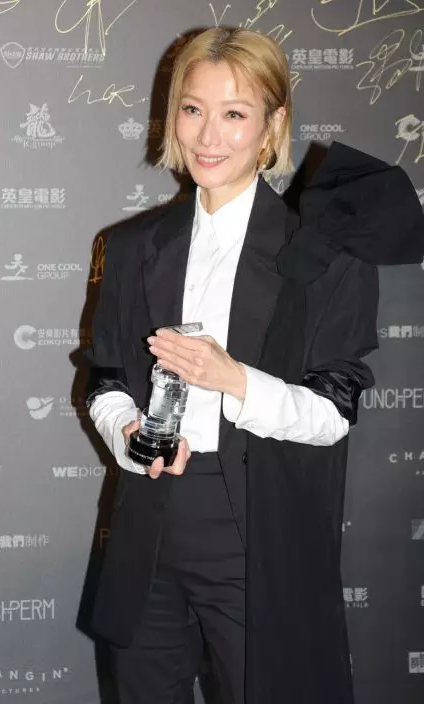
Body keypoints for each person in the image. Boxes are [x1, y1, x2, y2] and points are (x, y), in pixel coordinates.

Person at [84, 27, 424, 704]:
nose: (208, 134)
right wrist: (128, 433)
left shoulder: (324, 252)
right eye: (192, 109)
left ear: (271, 126)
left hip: (258, 532)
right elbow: (104, 377)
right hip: (148, 524)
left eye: (234, 113)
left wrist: (232, 379)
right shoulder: (130, 245)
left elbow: (333, 412)